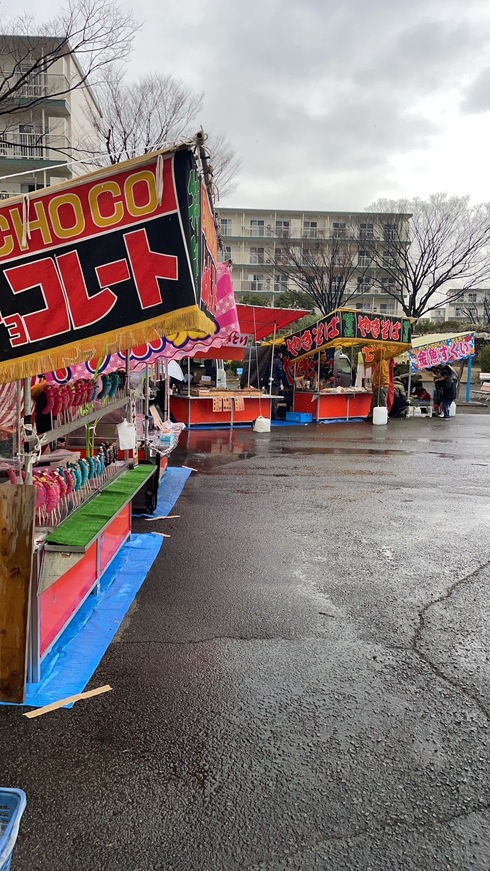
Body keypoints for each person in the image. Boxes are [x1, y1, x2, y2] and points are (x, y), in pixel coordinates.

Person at [366, 354, 390, 420]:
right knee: (375, 402)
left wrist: (381, 384)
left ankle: (385, 417)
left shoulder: (382, 363)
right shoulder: (379, 363)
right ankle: (371, 416)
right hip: (377, 386)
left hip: (381, 386)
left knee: (381, 402)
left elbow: (383, 376)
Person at [271, 349, 286, 419]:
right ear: (279, 353)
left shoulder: (271, 360)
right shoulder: (278, 361)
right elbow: (279, 373)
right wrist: (281, 383)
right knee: (274, 399)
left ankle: (270, 413)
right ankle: (274, 415)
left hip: (270, 382)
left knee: (270, 399)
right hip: (275, 382)